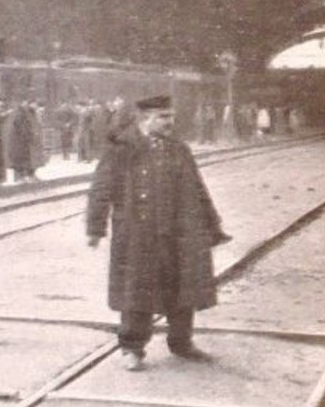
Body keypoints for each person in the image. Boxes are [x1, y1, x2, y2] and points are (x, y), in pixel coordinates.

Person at [86, 95, 232, 371]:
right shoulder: (122, 149)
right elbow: (101, 189)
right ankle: (132, 347)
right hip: (138, 232)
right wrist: (95, 227)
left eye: (171, 117)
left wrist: (213, 226)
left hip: (178, 231)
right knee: (137, 290)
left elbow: (198, 189)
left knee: (182, 287)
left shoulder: (179, 149)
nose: (170, 122)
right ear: (146, 119)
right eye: (164, 117)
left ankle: (181, 343)